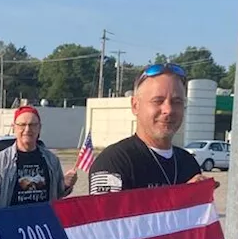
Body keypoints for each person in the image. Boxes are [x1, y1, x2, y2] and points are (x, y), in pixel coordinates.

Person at [88, 63, 213, 194]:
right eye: (158, 101)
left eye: (177, 102)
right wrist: (180, 197)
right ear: (135, 105)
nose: (168, 110)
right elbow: (109, 213)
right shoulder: (113, 162)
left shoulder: (188, 163)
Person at [0, 106, 76, 208]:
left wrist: (66, 185)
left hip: (43, 222)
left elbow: (57, 196)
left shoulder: (52, 160)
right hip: (12, 223)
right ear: (14, 127)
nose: (27, 129)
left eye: (32, 125)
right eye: (22, 125)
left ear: (39, 128)